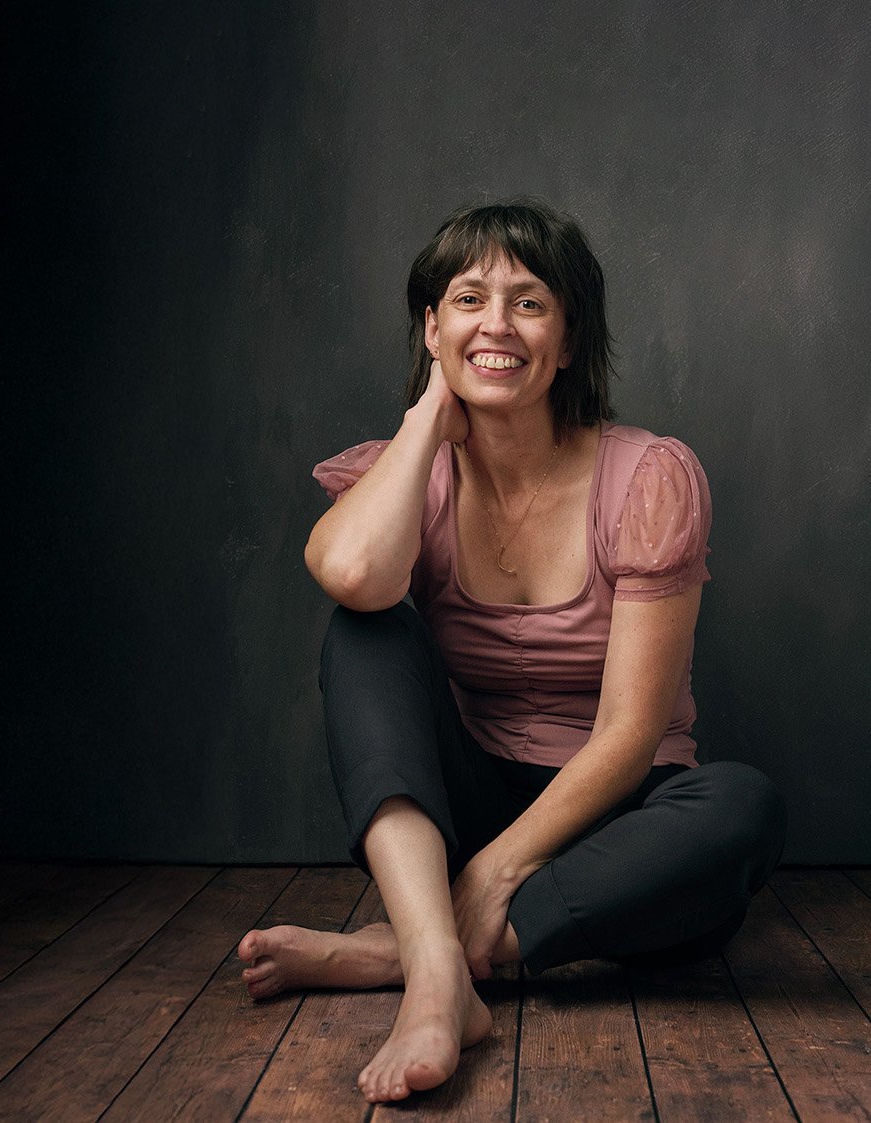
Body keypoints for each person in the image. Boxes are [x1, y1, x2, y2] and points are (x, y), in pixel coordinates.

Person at [236, 198, 785, 1104]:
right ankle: (440, 975)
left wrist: (495, 872)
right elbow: (351, 573)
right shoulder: (410, 474)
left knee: (744, 806)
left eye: (529, 303)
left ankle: (409, 953)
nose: (496, 324)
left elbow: (631, 733)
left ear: (567, 342)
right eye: (468, 300)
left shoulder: (648, 476)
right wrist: (428, 418)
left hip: (620, 821)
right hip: (469, 799)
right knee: (366, 626)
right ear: (433, 328)